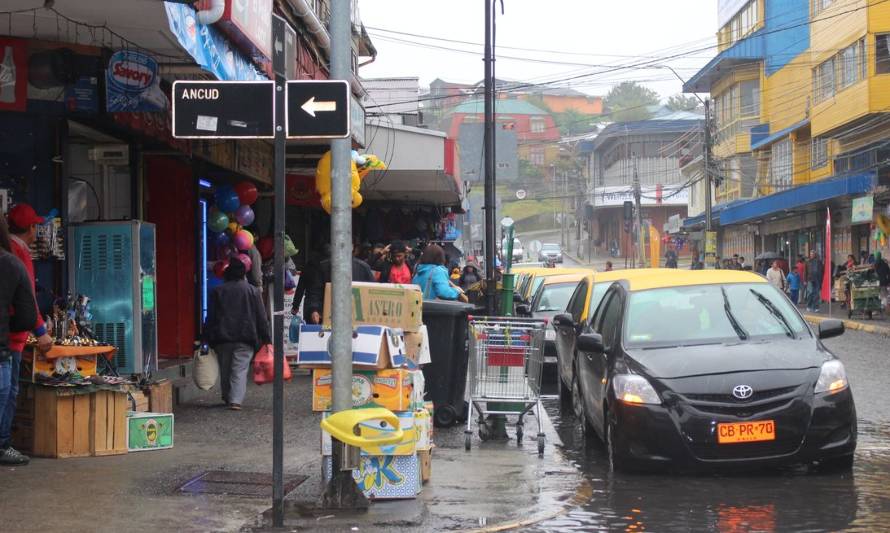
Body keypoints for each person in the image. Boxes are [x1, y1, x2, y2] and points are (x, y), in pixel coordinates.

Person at [4, 205, 53, 466]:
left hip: (12, 335)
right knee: (8, 391)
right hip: (11, 337)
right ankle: (3, 444)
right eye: (35, 225)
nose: (37, 230)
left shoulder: (13, 251)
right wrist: (41, 331)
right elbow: (26, 300)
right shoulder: (17, 254)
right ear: (31, 228)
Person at [203, 257, 271, 410]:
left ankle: (227, 396)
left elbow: (211, 316)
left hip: (222, 337)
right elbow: (261, 316)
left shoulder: (217, 291)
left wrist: (205, 337)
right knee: (239, 369)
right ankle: (235, 400)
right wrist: (266, 338)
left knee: (225, 369)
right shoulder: (252, 291)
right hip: (245, 337)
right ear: (243, 274)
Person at [304, 245, 375, 324]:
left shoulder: (363, 268)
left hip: (357, 321)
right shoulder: (324, 267)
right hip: (329, 321)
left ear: (352, 247)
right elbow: (315, 293)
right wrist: (314, 310)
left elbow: (372, 294)